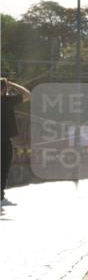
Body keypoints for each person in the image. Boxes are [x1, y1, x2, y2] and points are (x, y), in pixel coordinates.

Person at [1, 78, 30, 206]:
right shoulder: (8, 101)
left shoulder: (8, 101)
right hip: (3, 140)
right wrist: (11, 84)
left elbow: (28, 95)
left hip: (4, 139)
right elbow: (28, 95)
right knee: (3, 167)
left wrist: (10, 85)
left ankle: (1, 196)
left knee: (3, 168)